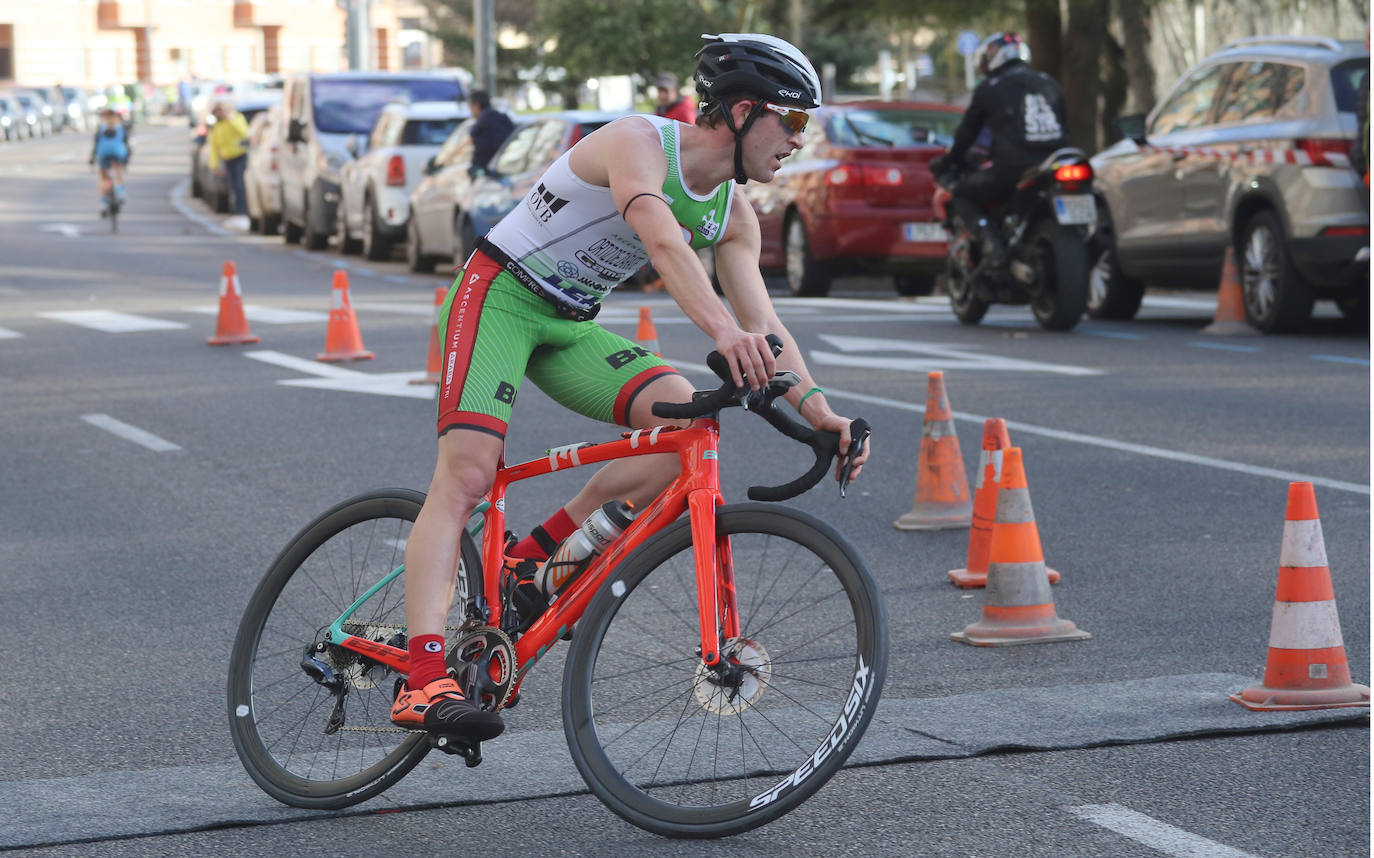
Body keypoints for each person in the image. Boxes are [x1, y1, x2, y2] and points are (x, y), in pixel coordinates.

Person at [390, 32, 871, 742]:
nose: (799, 140)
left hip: (569, 325)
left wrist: (821, 411)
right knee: (467, 476)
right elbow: (660, 239)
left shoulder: (734, 212)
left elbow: (763, 320)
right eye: (794, 121)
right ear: (742, 111)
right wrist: (721, 333)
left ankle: (532, 565)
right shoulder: (638, 142)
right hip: (498, 298)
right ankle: (421, 676)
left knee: (682, 431)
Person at [930, 31, 1068, 269]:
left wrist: (949, 162)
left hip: (1015, 167)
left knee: (962, 193)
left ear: (995, 56)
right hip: (1058, 162)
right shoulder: (1048, 81)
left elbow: (967, 133)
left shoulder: (991, 87)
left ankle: (991, 245)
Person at [207, 99, 251, 230]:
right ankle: (237, 213)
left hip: (240, 156)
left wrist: (230, 119)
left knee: (240, 185)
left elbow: (244, 132)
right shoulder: (217, 126)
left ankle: (242, 213)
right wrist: (214, 165)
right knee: (233, 186)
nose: (220, 114)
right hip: (228, 158)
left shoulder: (237, 118)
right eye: (218, 111)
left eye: (221, 110)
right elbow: (214, 146)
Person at [88, 108, 130, 214]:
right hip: (118, 154)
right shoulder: (121, 128)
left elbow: (96, 145)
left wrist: (92, 159)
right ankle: (120, 191)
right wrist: (126, 160)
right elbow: (126, 145)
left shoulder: (100, 129)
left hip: (103, 154)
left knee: (103, 178)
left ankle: (103, 203)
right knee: (118, 171)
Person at [466, 89, 515, 178]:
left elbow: (466, 142)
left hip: (484, 170)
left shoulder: (483, 119)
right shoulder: (503, 117)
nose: (470, 111)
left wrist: (442, 162)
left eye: (470, 107)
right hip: (505, 166)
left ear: (476, 106)